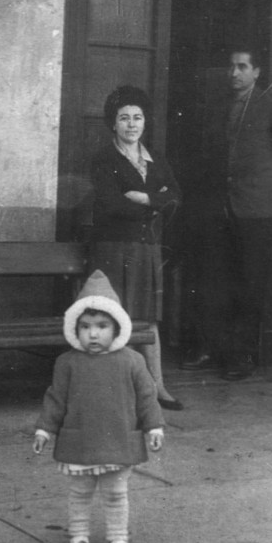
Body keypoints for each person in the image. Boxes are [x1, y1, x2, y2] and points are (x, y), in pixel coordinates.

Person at [182, 47, 272, 380]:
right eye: (231, 66)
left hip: (255, 210)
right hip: (219, 208)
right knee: (215, 280)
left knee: (250, 284)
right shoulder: (220, 107)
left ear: (257, 72)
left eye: (242, 67)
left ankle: (243, 356)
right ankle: (211, 348)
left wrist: (267, 182)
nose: (234, 73)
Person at [33, 269, 164, 543]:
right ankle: (79, 535)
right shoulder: (67, 363)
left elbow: (147, 397)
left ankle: (118, 539)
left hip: (119, 442)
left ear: (117, 328)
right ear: (74, 329)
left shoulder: (133, 361)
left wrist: (153, 427)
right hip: (80, 442)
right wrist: (45, 429)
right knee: (80, 492)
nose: (93, 333)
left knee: (116, 494)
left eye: (102, 325)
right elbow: (56, 398)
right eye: (86, 326)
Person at [89, 85, 183, 410]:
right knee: (116, 316)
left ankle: (158, 386)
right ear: (113, 124)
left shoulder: (153, 159)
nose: (132, 124)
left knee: (148, 319)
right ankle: (117, 391)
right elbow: (110, 204)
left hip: (146, 248)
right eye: (124, 118)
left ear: (145, 122)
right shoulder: (103, 159)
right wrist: (155, 202)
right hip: (114, 248)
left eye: (138, 117)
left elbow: (175, 195)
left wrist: (145, 198)